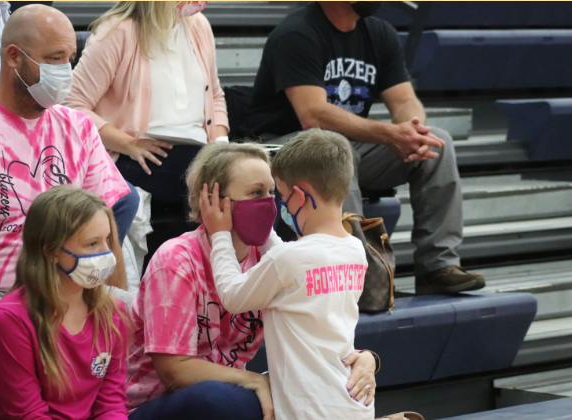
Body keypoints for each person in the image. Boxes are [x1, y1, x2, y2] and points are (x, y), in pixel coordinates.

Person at [0, 5, 131, 394]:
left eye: (69, 59)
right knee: (31, 335)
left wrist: (115, 299)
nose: (65, 70)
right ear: (14, 56)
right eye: (53, 59)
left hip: (69, 284)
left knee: (136, 322)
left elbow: (106, 229)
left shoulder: (78, 127)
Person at [241, 1, 485, 295]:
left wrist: (412, 131)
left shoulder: (380, 33)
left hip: (344, 149)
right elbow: (313, 114)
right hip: (285, 152)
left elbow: (405, 100)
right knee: (336, 148)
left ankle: (438, 267)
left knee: (437, 143)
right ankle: (361, 275)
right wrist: (389, 133)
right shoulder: (297, 33)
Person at [125, 142, 375, 420]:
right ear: (214, 200)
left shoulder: (273, 258)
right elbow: (174, 371)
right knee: (222, 400)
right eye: (256, 193)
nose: (269, 203)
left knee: (319, 388)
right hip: (153, 403)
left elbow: (316, 329)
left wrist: (364, 358)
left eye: (272, 192)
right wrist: (253, 381)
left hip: (232, 387)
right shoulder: (176, 260)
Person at [200, 130, 376, 419]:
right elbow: (294, 266)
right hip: (351, 402)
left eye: (280, 196)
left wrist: (220, 234)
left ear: (298, 195)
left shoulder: (289, 259)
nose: (277, 206)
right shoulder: (355, 249)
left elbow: (232, 295)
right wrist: (264, 230)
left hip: (309, 410)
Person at [65, 1, 229, 212]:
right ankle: (199, 245)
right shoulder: (117, 31)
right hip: (133, 154)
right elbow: (72, 104)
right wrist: (129, 144)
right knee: (205, 180)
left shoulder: (199, 25)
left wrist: (222, 144)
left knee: (247, 172)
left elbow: (215, 95)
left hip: (199, 151)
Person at [0, 186, 129, 419]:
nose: (106, 254)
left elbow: (111, 404)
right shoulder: (10, 320)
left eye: (107, 241)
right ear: (51, 252)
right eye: (92, 244)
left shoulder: (113, 314)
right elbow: (28, 414)